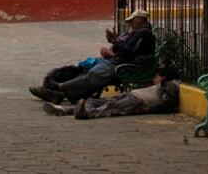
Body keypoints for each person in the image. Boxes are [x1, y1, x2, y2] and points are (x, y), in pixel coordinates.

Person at [28, 9, 156, 104]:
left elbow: (126, 52)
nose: (131, 23)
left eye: (134, 20)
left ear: (142, 20)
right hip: (117, 61)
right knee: (86, 69)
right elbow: (124, 50)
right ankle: (59, 92)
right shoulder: (136, 33)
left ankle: (60, 88)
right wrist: (114, 42)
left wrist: (115, 41)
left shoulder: (143, 34)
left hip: (123, 65)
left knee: (95, 74)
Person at [41, 67, 181, 119]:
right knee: (102, 102)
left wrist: (149, 110)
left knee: (111, 107)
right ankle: (67, 110)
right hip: (133, 96)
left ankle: (87, 113)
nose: (153, 78)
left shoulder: (170, 85)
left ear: (162, 77)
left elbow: (167, 102)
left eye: (156, 76)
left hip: (139, 101)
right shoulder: (161, 85)